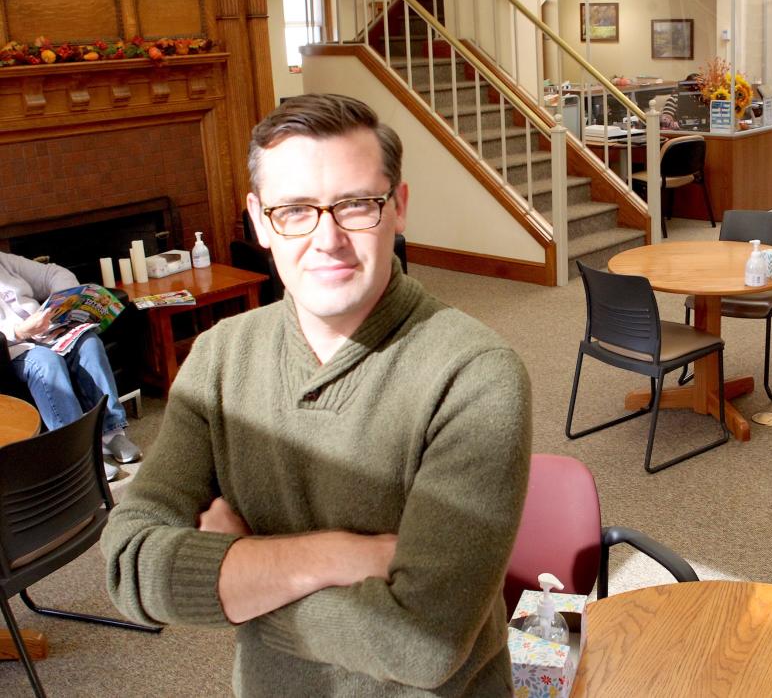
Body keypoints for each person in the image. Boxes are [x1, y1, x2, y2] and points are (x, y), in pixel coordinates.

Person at [101, 94, 532, 696]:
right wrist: (331, 556)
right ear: (259, 221)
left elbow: (422, 643)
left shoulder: (475, 375)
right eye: (295, 210)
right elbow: (129, 565)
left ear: (399, 207)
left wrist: (241, 569)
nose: (327, 238)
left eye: (357, 204)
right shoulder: (220, 358)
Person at [0, 252, 142, 481]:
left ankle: (111, 431)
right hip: (12, 348)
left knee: (89, 343)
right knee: (47, 363)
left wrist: (65, 302)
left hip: (47, 334)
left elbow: (54, 272)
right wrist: (19, 331)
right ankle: (76, 455)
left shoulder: (4, 261)